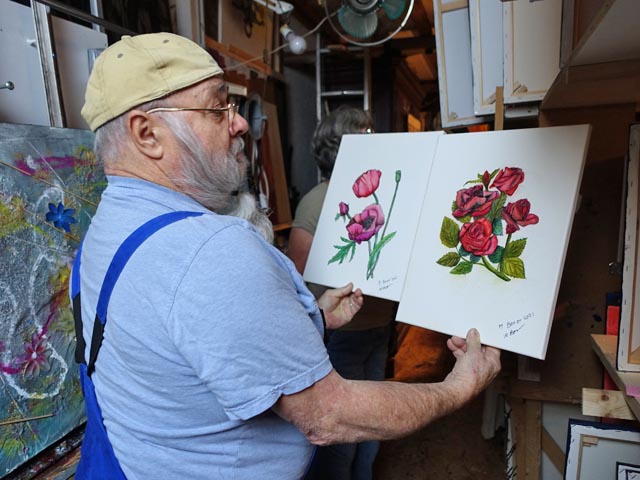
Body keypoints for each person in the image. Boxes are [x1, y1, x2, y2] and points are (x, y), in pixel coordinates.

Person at [72, 32, 501, 480]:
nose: (239, 124)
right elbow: (329, 414)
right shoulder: (209, 251)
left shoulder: (105, 230)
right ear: (148, 134)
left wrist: (314, 316)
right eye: (218, 107)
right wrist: (458, 388)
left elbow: (191, 345)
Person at [288, 107, 397, 480]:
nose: (373, 143)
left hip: (377, 327)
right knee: (345, 432)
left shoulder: (380, 197)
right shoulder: (318, 203)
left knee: (369, 426)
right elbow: (299, 282)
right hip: (341, 333)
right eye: (365, 136)